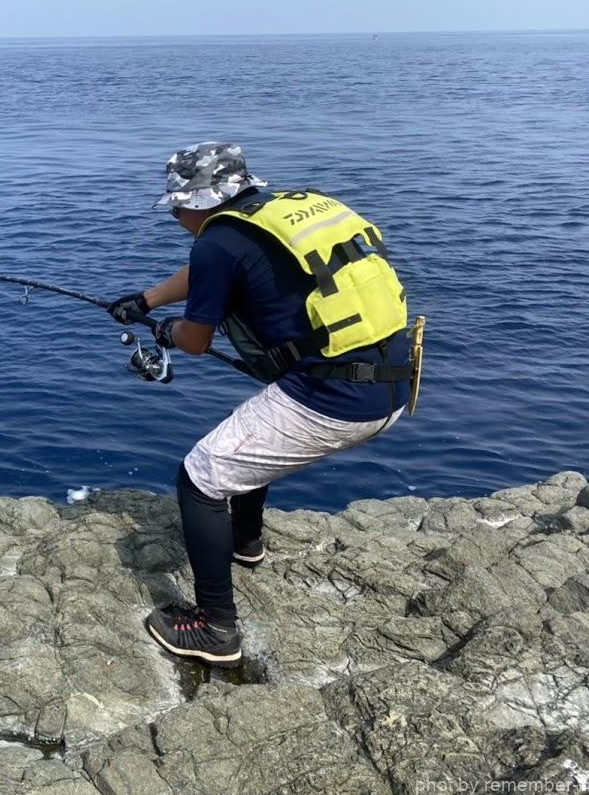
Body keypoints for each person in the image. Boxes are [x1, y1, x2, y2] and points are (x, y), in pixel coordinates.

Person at [108, 142, 413, 666]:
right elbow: (217, 269)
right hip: (393, 382)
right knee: (246, 435)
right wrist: (148, 300)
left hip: (334, 397)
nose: (177, 216)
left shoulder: (215, 243)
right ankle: (245, 543)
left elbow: (197, 340)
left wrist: (164, 329)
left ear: (200, 202)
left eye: (178, 207)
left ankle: (215, 630)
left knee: (200, 476)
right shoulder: (286, 211)